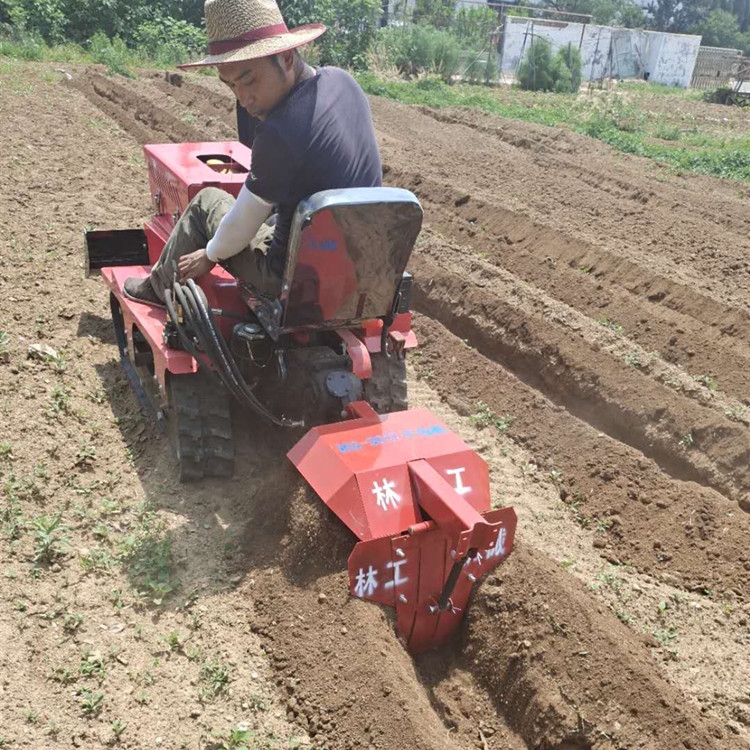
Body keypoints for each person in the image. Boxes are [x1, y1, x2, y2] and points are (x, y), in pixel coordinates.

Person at [124, 0, 382, 307]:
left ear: (286, 57)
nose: (243, 98)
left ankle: (159, 286)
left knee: (208, 202)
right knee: (274, 214)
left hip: (292, 277)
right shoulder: (343, 81)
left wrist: (209, 254)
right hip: (360, 262)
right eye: (231, 85)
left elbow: (241, 226)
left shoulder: (281, 130)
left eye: (248, 80)